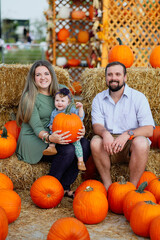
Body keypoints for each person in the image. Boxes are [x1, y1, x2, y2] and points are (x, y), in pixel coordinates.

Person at [16, 60, 90, 198]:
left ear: (52, 75)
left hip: (59, 132)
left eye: (46, 73)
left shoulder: (62, 91)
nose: (43, 77)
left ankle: (64, 187)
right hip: (36, 138)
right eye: (38, 75)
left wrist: (81, 129)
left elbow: (73, 113)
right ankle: (48, 188)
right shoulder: (29, 97)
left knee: (85, 144)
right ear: (33, 78)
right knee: (68, 150)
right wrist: (50, 138)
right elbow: (37, 127)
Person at [91, 61, 154, 190]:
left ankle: (132, 188)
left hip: (130, 142)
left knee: (142, 142)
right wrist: (105, 133)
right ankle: (108, 186)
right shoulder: (98, 98)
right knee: (95, 142)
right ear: (106, 77)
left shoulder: (138, 98)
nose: (113, 78)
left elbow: (149, 130)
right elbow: (96, 125)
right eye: (110, 75)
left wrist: (127, 134)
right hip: (108, 145)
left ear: (125, 77)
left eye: (118, 74)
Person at [43, 87, 86, 171]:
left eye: (62, 101)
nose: (59, 103)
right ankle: (51, 148)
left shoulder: (72, 110)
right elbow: (52, 122)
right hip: (58, 134)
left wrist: (80, 108)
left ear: (68, 102)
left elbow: (80, 117)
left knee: (77, 144)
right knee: (52, 135)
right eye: (57, 100)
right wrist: (50, 126)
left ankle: (80, 161)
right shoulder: (54, 112)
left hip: (71, 134)